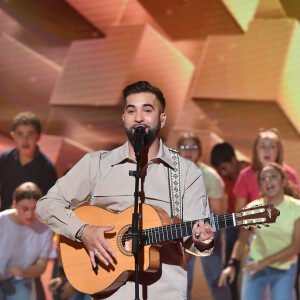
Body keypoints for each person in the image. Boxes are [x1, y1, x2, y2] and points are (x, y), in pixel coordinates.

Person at [36, 81, 215, 300]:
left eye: (147, 110)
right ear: (124, 119)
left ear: (162, 119)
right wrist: (83, 230)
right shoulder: (96, 164)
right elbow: (46, 205)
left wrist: (202, 241)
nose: (138, 117)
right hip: (110, 291)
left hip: (166, 293)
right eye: (131, 110)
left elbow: (195, 240)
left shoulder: (186, 173)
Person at [218, 162, 300, 300]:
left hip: (284, 267)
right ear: (260, 185)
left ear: (283, 180)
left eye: (273, 176)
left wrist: (264, 262)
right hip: (255, 262)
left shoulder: (296, 207)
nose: (268, 180)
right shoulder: (253, 208)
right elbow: (242, 240)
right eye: (263, 178)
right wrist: (232, 264)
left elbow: (296, 246)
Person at [177, 134, 230, 300]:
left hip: (207, 230)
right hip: (180, 228)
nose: (188, 151)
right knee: (181, 278)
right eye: (184, 147)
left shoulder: (210, 176)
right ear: (177, 151)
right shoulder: (168, 173)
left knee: (215, 276)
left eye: (193, 147)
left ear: (199, 151)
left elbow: (218, 211)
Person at [0, 182, 54, 300]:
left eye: (34, 209)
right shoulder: (2, 221)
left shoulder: (45, 230)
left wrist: (23, 272)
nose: (30, 214)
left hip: (22, 277)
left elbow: (41, 266)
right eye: (24, 209)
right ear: (14, 204)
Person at [211, 142, 248, 300]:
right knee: (230, 268)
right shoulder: (223, 178)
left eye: (224, 167)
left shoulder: (250, 173)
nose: (222, 172)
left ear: (233, 160)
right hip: (234, 228)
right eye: (219, 169)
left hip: (252, 230)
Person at [0, 111, 57, 211]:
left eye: (30, 135)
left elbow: (48, 206)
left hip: (31, 221)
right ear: (13, 135)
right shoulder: (5, 158)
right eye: (20, 134)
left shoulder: (47, 168)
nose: (25, 140)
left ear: (39, 136)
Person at [233, 128, 299, 212]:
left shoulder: (290, 174)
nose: (267, 151)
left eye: (271, 147)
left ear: (278, 150)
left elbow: (297, 208)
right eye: (262, 147)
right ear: (256, 150)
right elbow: (239, 213)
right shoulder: (245, 175)